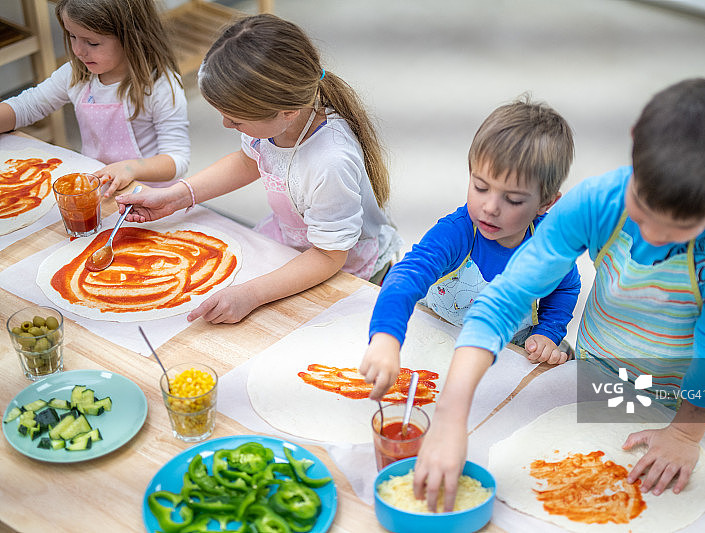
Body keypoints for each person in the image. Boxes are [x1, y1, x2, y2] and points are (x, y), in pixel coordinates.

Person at [413, 78, 705, 512]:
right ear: (634, 145)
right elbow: (508, 297)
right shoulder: (595, 202)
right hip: (605, 377)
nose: (656, 234)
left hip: (696, 396)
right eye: (644, 208)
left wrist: (685, 434)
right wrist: (451, 417)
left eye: (682, 226)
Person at [116, 13, 402, 324]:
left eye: (235, 120)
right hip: (295, 245)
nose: (226, 125)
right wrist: (177, 196)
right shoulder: (275, 122)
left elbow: (329, 256)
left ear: (287, 112)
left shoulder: (330, 161)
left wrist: (250, 294)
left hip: (343, 268)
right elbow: (248, 161)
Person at [360, 98, 581, 399]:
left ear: (545, 203)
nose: (490, 207)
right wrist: (386, 337)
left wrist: (548, 332)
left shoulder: (550, 246)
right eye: (480, 187)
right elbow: (405, 277)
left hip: (505, 352)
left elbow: (565, 288)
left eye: (513, 200)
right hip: (437, 336)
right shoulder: (456, 233)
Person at [0, 0, 190, 197]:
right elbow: (27, 106)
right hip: (99, 190)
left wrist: (129, 169)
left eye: (92, 42)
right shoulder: (76, 74)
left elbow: (177, 159)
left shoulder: (159, 85)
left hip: (150, 196)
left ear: (131, 36)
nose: (78, 51)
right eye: (72, 36)